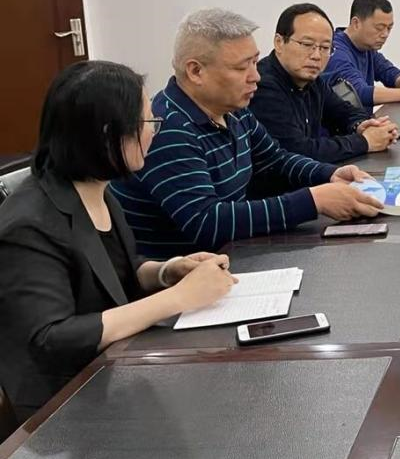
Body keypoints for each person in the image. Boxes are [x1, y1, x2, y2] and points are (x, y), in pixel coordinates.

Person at [0, 61, 238, 420]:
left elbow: (111, 272)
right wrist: (179, 298)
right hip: (62, 404)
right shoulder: (28, 225)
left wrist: (167, 271)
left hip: (114, 370)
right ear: (107, 134)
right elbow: (52, 337)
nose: (153, 132)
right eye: (146, 122)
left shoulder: (96, 186)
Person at [111, 9, 383, 258]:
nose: (256, 77)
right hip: (182, 276)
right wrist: (313, 201)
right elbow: (207, 222)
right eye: (242, 68)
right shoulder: (167, 128)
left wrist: (329, 174)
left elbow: (275, 158)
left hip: (230, 257)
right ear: (196, 71)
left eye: (255, 62)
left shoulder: (234, 110)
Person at [251, 2, 398, 163]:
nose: (316, 55)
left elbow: (345, 112)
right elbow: (298, 151)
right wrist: (365, 141)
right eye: (307, 45)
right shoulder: (263, 85)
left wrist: (363, 125)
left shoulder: (312, 80)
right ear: (279, 42)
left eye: (325, 47)